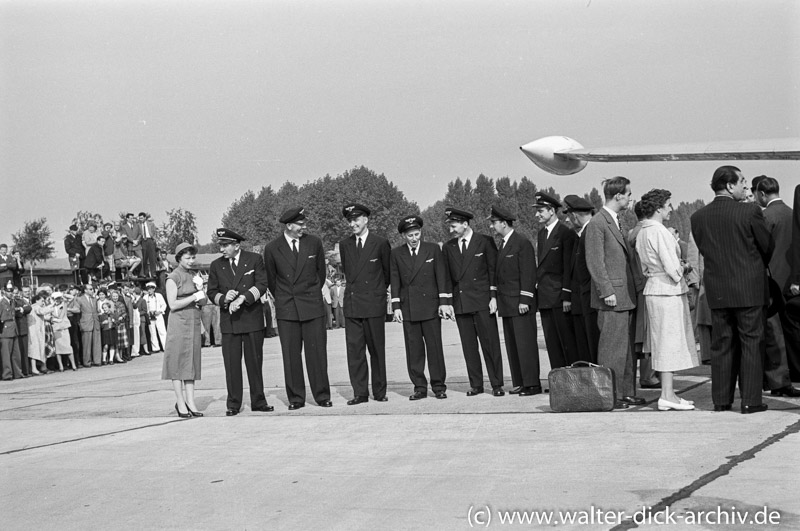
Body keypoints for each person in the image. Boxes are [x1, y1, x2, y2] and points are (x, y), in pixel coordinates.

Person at [691, 166, 773, 414]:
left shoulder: (698, 217)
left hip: (717, 290)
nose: (745, 188)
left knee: (722, 344)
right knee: (751, 342)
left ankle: (721, 399)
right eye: (742, 183)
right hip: (748, 288)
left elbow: (705, 250)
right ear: (729, 186)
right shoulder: (749, 211)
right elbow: (767, 246)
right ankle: (750, 400)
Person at [635, 189, 700, 411]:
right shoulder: (660, 232)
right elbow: (673, 270)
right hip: (667, 291)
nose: (671, 209)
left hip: (655, 288)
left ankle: (669, 393)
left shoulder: (643, 231)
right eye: (668, 205)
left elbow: (644, 267)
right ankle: (666, 395)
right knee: (668, 343)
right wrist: (685, 266)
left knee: (662, 342)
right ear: (659, 208)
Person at [263, 209, 332, 410]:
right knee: (291, 356)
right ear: (289, 226)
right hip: (288, 308)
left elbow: (320, 273)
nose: (304, 227)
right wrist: (285, 298)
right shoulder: (272, 248)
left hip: (312, 306)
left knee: (317, 354)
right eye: (300, 224)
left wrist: (308, 293)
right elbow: (271, 280)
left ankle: (322, 395)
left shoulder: (314, 243)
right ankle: (296, 398)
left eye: (304, 223)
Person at [585, 176, 643, 409]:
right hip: (612, 297)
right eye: (629, 194)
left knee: (626, 350)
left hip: (625, 296)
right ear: (618, 195)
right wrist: (606, 290)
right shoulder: (598, 223)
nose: (631, 198)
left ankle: (626, 391)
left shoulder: (615, 221)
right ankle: (610, 395)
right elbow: (595, 261)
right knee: (611, 350)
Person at [209, 228, 273, 415]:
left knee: (254, 363)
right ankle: (233, 404)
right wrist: (224, 297)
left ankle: (259, 401)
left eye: (225, 245)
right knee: (231, 365)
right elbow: (211, 292)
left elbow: (261, 284)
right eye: (220, 245)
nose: (222, 249)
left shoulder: (254, 259)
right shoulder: (216, 266)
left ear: (237, 246)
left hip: (251, 318)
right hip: (229, 322)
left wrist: (242, 298)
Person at [441, 207, 504, 396]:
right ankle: (475, 384)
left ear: (465, 224)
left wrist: (494, 297)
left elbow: (493, 271)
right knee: (469, 347)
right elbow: (446, 277)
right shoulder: (448, 247)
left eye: (454, 226)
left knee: (490, 344)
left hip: (483, 302)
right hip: (461, 303)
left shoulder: (484, 242)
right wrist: (448, 303)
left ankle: (496, 384)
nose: (451, 230)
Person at [390, 215, 451, 400]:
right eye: (410, 235)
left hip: (431, 308)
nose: (414, 238)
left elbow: (441, 276)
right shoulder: (396, 254)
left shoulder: (432, 249)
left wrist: (444, 303)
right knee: (414, 350)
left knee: (435, 348)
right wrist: (396, 307)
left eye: (417, 234)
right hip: (409, 308)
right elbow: (395, 281)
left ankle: (439, 386)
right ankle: (419, 387)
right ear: (404, 236)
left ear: (421, 233)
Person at [338, 203, 392, 404]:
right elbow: (349, 273)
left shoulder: (380, 243)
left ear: (366, 220)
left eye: (356, 219)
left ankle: (379, 391)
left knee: (376, 350)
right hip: (353, 305)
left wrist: (376, 294)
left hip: (373, 304)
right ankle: (360, 392)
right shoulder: (345, 245)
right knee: (355, 352)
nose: (353, 224)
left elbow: (386, 275)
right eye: (350, 220)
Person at [752, 175, 800, 397]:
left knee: (773, 336)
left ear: (761, 194)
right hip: (792, 281)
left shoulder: (764, 216)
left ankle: (779, 379)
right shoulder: (792, 213)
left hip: (772, 282)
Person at [489, 206, 541, 396]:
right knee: (513, 345)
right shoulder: (503, 244)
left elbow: (528, 273)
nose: (492, 226)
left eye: (494, 223)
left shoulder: (521, 243)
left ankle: (532, 384)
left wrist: (525, 300)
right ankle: (520, 382)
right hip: (507, 304)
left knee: (525, 344)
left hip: (520, 304)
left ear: (504, 223)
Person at [534, 192, 579, 368]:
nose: (537, 214)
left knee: (567, 341)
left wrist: (567, 295)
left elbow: (568, 267)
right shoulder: (541, 234)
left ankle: (573, 381)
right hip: (546, 296)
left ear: (552, 211)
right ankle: (559, 379)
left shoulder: (565, 234)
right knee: (552, 342)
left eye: (540, 210)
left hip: (560, 296)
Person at [162, 243, 207, 418]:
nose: (191, 261)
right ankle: (180, 401)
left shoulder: (194, 275)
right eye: (187, 258)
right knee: (178, 361)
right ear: (179, 258)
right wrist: (194, 296)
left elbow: (203, 302)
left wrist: (201, 289)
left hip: (193, 321)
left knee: (192, 362)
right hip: (179, 323)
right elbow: (172, 304)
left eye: (192, 257)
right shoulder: (173, 277)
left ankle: (191, 401)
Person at [562, 195, 599, 363]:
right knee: (586, 346)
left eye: (569, 216)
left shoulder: (591, 232)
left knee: (594, 345)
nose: (568, 221)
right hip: (583, 300)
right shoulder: (581, 234)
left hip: (593, 298)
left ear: (575, 215)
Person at [1, 282, 26, 380]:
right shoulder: (2, 303)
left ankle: (17, 373)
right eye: (8, 291)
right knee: (6, 355)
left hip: (14, 329)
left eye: (11, 291)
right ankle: (7, 374)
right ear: (4, 292)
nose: (11, 293)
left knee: (16, 354)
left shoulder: (12, 302)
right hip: (5, 330)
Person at [75, 284, 102, 367]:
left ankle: (97, 360)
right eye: (90, 289)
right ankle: (87, 361)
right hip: (86, 322)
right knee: (86, 344)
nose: (92, 290)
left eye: (92, 289)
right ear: (85, 290)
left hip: (95, 322)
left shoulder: (94, 299)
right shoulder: (79, 299)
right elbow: (77, 311)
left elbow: (97, 310)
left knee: (97, 342)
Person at [51, 291, 78, 371]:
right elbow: (48, 316)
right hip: (56, 328)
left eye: (59, 298)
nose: (58, 300)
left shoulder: (64, 304)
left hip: (64, 327)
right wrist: (55, 319)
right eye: (56, 298)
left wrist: (62, 295)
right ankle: (61, 366)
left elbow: (72, 298)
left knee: (68, 347)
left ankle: (73, 365)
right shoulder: (51, 306)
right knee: (58, 348)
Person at [27, 292, 52, 375]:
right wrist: (52, 306)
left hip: (38, 331)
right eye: (41, 300)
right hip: (34, 332)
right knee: (34, 350)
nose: (43, 302)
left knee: (40, 349)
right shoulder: (35, 306)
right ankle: (34, 368)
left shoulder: (36, 306)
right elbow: (41, 311)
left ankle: (41, 367)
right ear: (36, 300)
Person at [199, 274, 222, 347]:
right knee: (206, 326)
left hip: (216, 305)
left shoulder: (215, 286)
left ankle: (218, 342)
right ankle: (206, 342)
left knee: (217, 325)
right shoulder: (200, 288)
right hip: (205, 306)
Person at [144, 281, 167, 352]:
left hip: (159, 316)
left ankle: (165, 347)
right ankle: (155, 348)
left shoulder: (159, 295)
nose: (149, 291)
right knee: (152, 332)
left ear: (154, 289)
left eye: (151, 289)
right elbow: (145, 307)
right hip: (151, 317)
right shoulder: (145, 297)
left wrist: (160, 311)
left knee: (162, 331)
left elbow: (164, 305)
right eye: (148, 289)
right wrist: (149, 312)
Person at [110, 291, 129, 363]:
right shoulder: (110, 303)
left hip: (120, 324)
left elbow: (125, 313)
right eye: (114, 296)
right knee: (115, 341)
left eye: (116, 296)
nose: (115, 297)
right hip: (113, 324)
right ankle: (116, 356)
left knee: (121, 342)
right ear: (111, 296)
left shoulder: (121, 304)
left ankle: (120, 356)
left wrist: (122, 317)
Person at [139, 212, 159, 278]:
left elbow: (154, 232)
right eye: (139, 218)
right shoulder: (139, 225)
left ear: (145, 218)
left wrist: (154, 240)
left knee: (152, 257)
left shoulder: (151, 224)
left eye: (142, 218)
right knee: (144, 257)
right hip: (143, 241)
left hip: (150, 240)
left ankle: (153, 273)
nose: (140, 219)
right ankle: (146, 273)